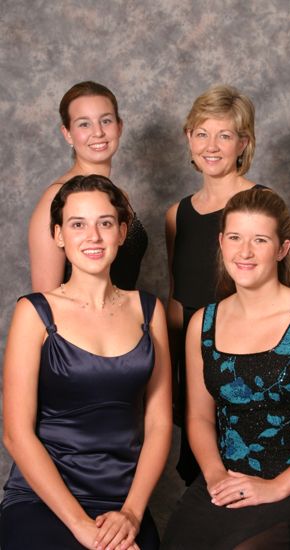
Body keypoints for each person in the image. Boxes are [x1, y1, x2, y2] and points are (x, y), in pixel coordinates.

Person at [161, 187, 290, 549]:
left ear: (282, 249)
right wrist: (214, 478)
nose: (245, 252)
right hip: (228, 481)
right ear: (222, 242)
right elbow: (199, 419)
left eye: (259, 240)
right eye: (236, 238)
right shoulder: (203, 324)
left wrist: (276, 487)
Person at [1, 175, 172, 550]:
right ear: (59, 235)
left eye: (105, 223)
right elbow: (16, 433)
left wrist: (131, 513)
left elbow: (159, 424)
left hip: (124, 504)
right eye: (78, 224)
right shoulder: (34, 312)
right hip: (44, 500)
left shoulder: (149, 310)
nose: (92, 237)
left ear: (122, 232)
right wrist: (81, 527)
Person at [166, 84, 264, 484]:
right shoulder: (177, 214)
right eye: (202, 133)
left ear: (243, 143)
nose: (211, 145)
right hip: (192, 358)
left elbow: (280, 296)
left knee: (248, 467)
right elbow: (178, 295)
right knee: (202, 476)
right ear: (188, 138)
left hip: (244, 355)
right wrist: (166, 371)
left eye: (224, 135)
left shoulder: (260, 204)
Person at [29, 81, 147, 292]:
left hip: (126, 319)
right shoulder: (56, 197)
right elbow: (44, 299)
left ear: (120, 126)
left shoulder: (121, 195)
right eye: (84, 124)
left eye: (106, 121)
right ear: (67, 133)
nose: (98, 132)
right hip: (76, 323)